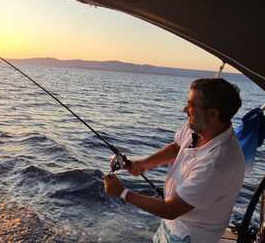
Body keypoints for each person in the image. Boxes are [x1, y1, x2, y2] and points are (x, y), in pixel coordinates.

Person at [105, 78, 245, 243]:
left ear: (212, 115)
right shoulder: (198, 125)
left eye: (192, 105)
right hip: (172, 226)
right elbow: (177, 147)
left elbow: (171, 209)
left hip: (190, 236)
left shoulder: (219, 163)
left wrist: (122, 192)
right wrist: (143, 164)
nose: (185, 109)